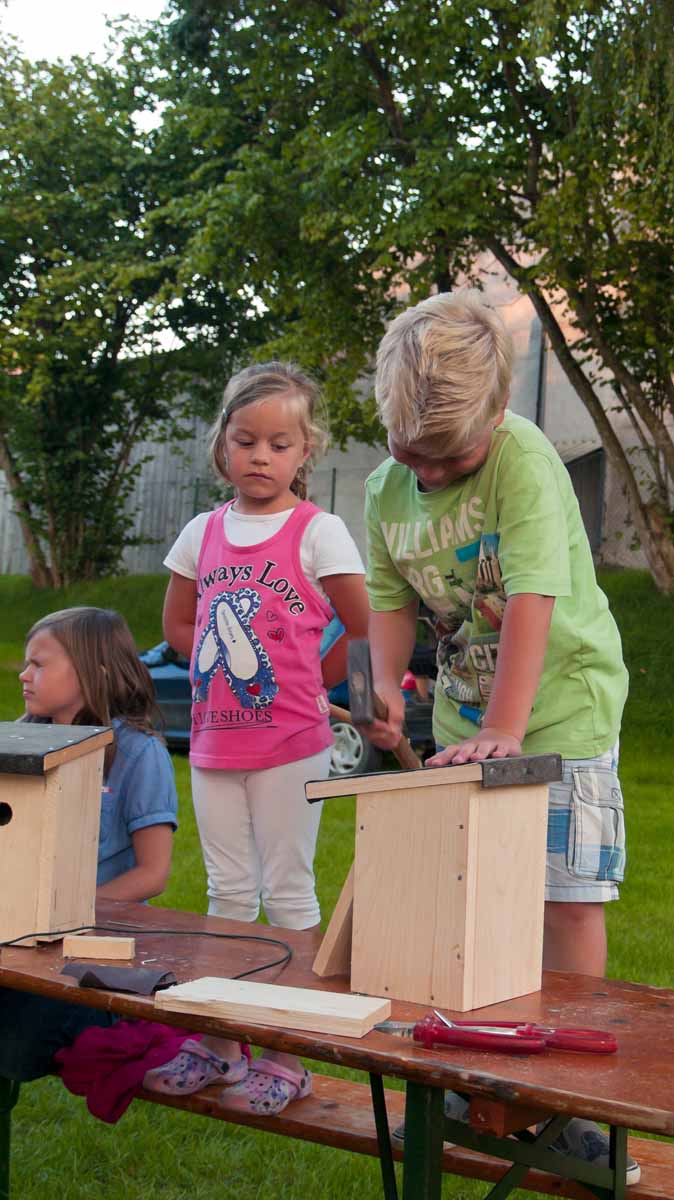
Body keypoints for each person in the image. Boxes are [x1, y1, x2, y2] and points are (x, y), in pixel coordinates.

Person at [361, 292, 639, 1183]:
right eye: (414, 454)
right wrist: (385, 690)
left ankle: (567, 1101)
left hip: (559, 715)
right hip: (462, 729)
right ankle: (476, 1083)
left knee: (565, 902)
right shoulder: (383, 489)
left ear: (496, 412)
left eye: (453, 457)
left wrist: (508, 729)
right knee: (470, 911)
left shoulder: (525, 461)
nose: (431, 472)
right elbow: (391, 602)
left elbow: (530, 599)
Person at [148, 361, 368, 1116]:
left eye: (279, 444)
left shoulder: (320, 532)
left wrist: (313, 682)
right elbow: (178, 625)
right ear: (223, 445)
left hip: (292, 747)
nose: (261, 457)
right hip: (214, 745)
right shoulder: (201, 532)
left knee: (288, 891)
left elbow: (364, 628)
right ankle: (221, 1043)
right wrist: (213, 667)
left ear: (306, 450)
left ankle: (287, 1055)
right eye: (246, 441)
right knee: (227, 894)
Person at [0, 607, 178, 1084]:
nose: (24, 674)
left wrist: (66, 912)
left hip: (86, 951)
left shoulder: (139, 754)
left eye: (39, 664)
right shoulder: (19, 741)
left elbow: (153, 873)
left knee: (19, 1045)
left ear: (93, 672)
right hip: (14, 938)